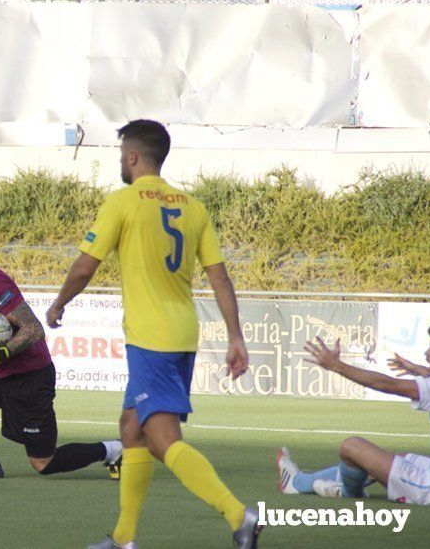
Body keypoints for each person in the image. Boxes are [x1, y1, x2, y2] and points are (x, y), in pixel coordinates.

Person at [45, 119, 261, 549]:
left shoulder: (123, 202)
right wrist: (236, 335)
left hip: (151, 339)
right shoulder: (193, 206)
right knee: (131, 428)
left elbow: (86, 265)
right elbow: (219, 277)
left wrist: (58, 302)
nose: (120, 160)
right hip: (180, 334)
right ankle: (124, 538)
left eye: (121, 152)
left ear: (132, 156)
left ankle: (240, 516)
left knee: (163, 441)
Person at [0, 216, 122, 479]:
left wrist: (3, 352)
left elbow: (33, 329)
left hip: (29, 376)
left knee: (43, 463)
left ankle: (114, 450)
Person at [276, 323, 430, 506]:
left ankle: (339, 491)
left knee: (351, 447)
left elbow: (389, 385)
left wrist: (336, 366)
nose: (426, 354)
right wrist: (418, 369)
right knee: (401, 457)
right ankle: (302, 482)